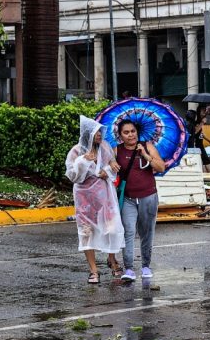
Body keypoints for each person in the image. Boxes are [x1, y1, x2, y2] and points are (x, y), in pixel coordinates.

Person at [65, 117, 125, 284]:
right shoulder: (76, 152)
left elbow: (112, 165)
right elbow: (72, 176)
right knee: (86, 232)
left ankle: (112, 259)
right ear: (88, 133)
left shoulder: (105, 147)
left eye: (100, 131)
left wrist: (109, 170)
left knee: (111, 228)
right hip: (85, 198)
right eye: (96, 132)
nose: (100, 134)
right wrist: (83, 161)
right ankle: (93, 270)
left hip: (105, 196)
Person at [115, 119, 166, 283]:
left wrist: (145, 155)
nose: (131, 135)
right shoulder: (116, 150)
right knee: (128, 232)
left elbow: (161, 167)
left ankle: (145, 266)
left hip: (148, 196)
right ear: (120, 135)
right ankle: (129, 268)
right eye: (126, 132)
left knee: (146, 232)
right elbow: (109, 169)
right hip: (128, 198)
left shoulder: (147, 146)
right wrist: (110, 164)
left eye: (133, 131)